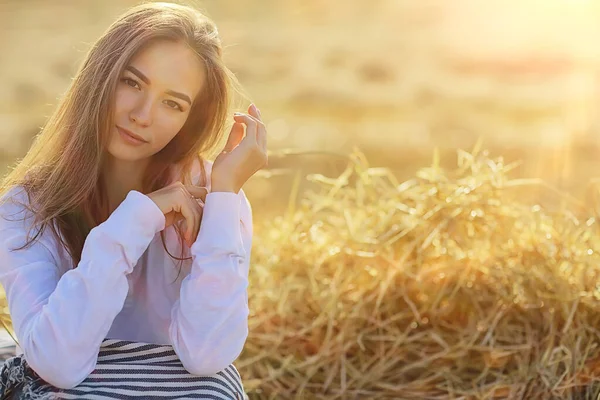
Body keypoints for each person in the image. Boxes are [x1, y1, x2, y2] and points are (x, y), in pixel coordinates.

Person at [0, 2, 267, 398]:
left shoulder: (213, 197)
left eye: (172, 103)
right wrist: (135, 220)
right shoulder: (25, 208)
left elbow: (207, 356)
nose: (142, 115)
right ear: (99, 78)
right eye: (132, 83)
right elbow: (57, 365)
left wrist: (226, 196)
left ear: (189, 119)